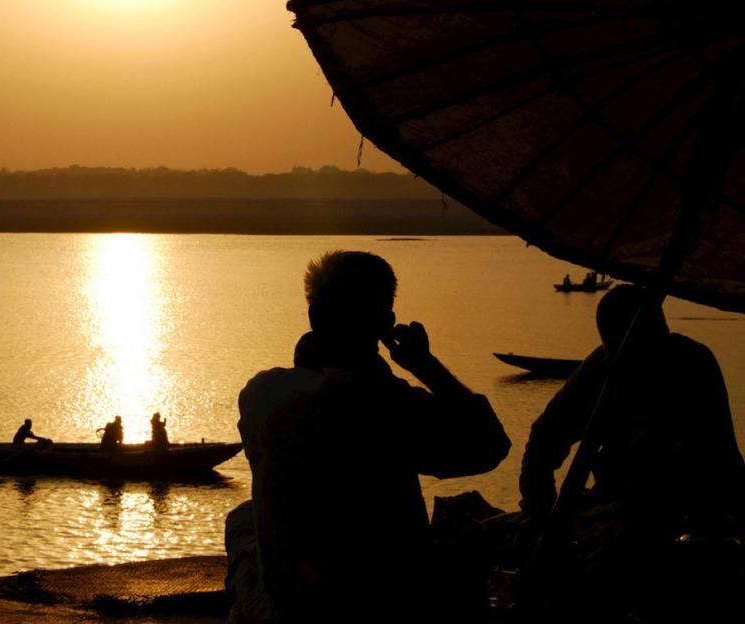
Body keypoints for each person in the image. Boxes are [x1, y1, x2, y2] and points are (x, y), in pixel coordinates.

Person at [226, 250, 511, 623]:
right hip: (383, 601)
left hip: (293, 608)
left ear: (313, 317)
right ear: (386, 324)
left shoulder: (261, 395)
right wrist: (425, 365)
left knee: (242, 519)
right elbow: (491, 445)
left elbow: (314, 385)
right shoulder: (394, 407)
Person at [518, 284, 745, 618]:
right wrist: (542, 516)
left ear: (661, 334)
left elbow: (723, 467)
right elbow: (542, 443)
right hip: (609, 515)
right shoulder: (601, 370)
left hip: (687, 520)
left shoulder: (692, 366)